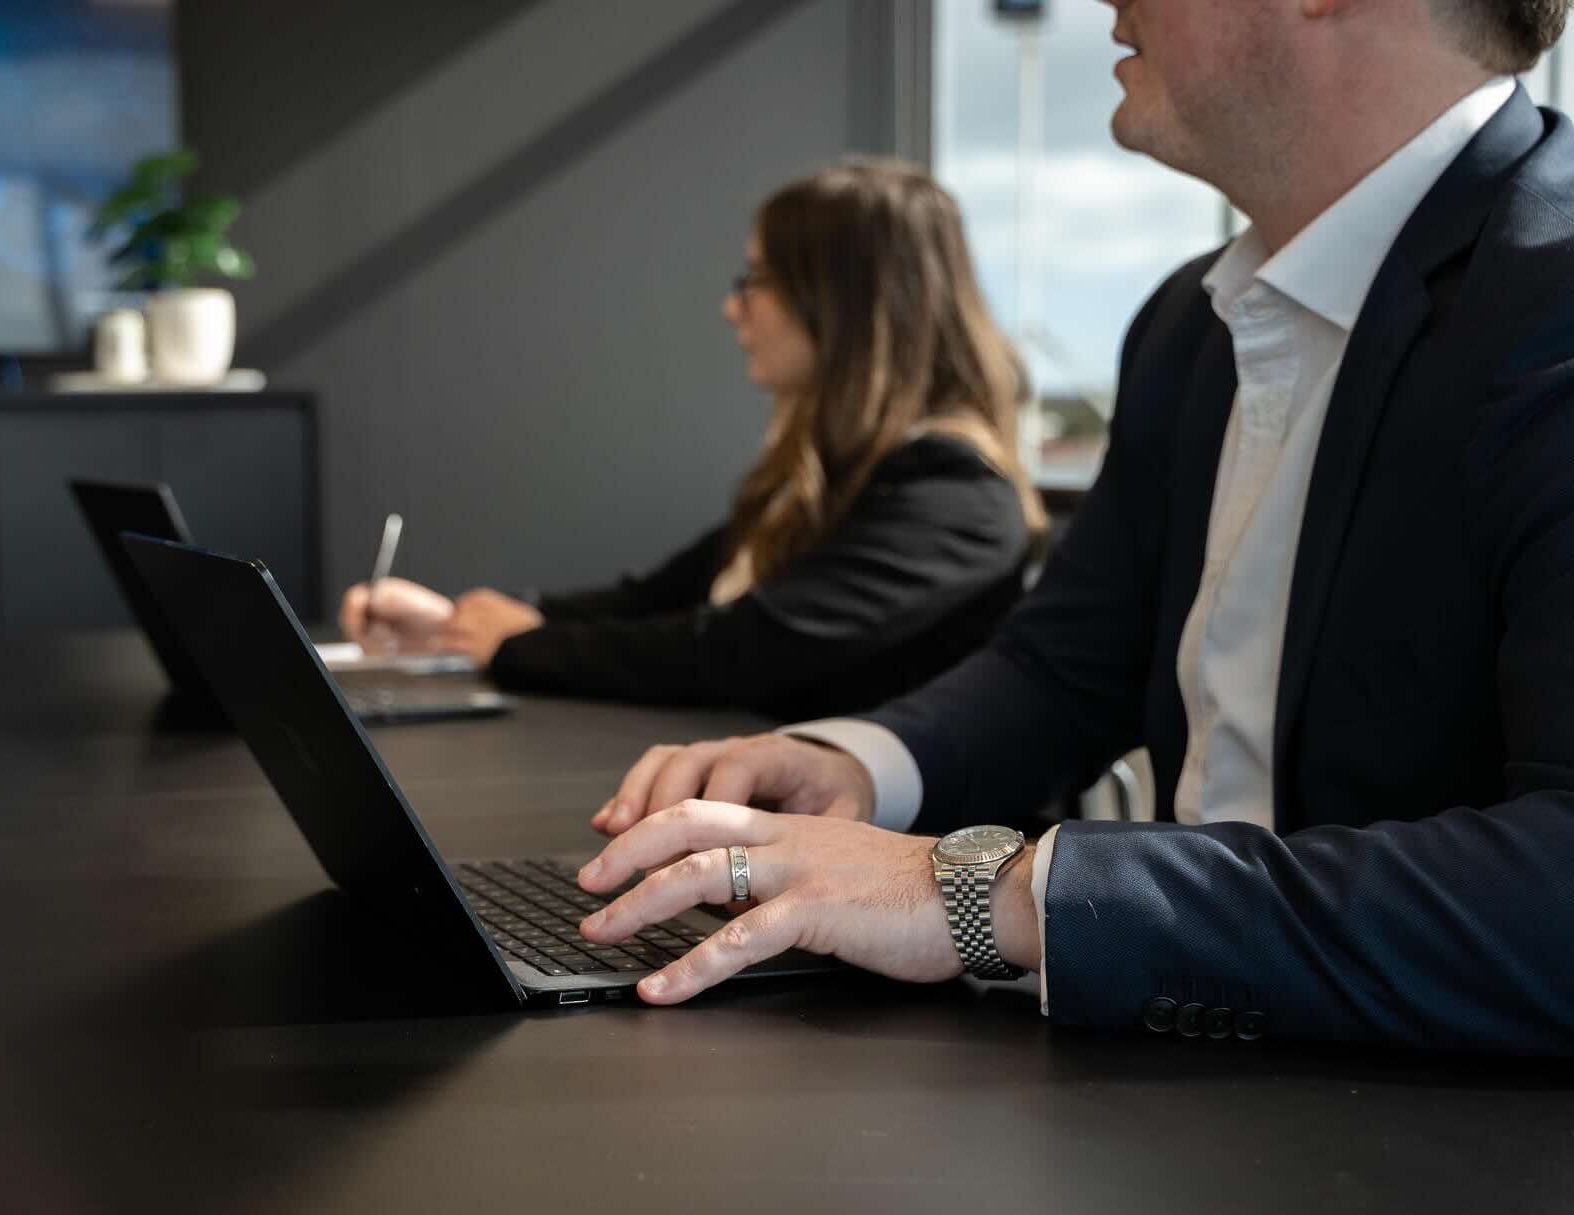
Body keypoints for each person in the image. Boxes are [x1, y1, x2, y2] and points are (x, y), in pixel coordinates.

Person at [570, 0, 1574, 1053]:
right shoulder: (1187, 322)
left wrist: (978, 896)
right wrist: (855, 767)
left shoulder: (1550, 301)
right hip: (1200, 1069)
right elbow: (1062, 672)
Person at [338, 159, 1045, 722]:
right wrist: (460, 622)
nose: (732, 306)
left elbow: (742, 650)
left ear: (846, 304)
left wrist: (518, 646)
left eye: (756, 280)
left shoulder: (955, 498)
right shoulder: (835, 475)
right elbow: (658, 600)